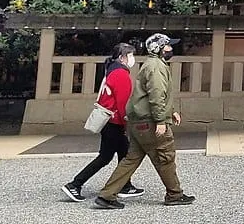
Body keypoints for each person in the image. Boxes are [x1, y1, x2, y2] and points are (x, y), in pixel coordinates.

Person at [94, 33, 195, 209]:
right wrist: (161, 120)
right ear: (160, 48)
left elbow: (157, 95)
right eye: (168, 46)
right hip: (149, 122)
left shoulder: (152, 65)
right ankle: (174, 194)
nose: (171, 49)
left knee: (131, 159)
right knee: (165, 156)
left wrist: (171, 111)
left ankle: (107, 195)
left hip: (138, 122)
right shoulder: (156, 67)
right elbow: (156, 95)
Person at [61, 43, 144, 202]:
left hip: (109, 119)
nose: (133, 58)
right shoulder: (121, 74)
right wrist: (127, 124)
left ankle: (125, 185)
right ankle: (75, 184)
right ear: (122, 57)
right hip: (114, 121)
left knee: (123, 154)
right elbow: (123, 104)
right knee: (106, 157)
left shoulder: (112, 71)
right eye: (130, 55)